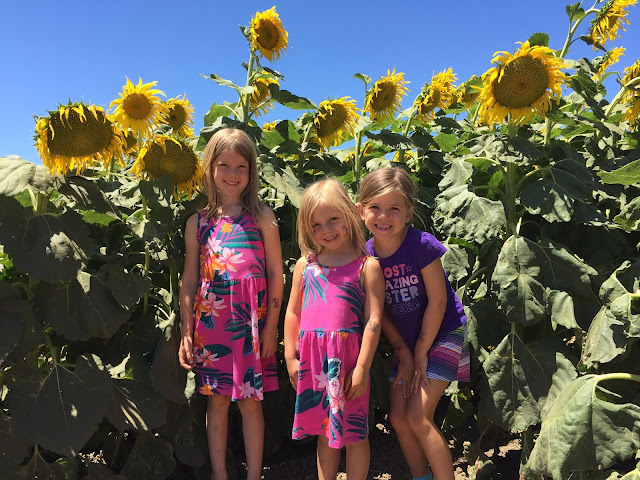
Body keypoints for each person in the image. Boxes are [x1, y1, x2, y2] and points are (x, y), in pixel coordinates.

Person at [178, 128, 283, 480]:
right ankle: (219, 474)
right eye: (224, 165)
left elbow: (275, 274)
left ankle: (255, 475)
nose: (233, 173)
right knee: (217, 401)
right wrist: (186, 331)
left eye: (241, 166)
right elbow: (190, 281)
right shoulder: (198, 223)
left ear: (252, 172)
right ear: (209, 168)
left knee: (252, 403)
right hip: (212, 324)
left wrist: (271, 327)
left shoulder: (263, 217)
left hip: (252, 322)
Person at [358, 167, 470, 480]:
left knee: (419, 416)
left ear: (409, 213)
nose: (384, 216)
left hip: (444, 335)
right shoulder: (366, 258)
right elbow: (380, 314)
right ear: (361, 210)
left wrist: (420, 351)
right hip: (405, 345)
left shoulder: (420, 245)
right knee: (398, 417)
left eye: (394, 208)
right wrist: (405, 353)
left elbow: (438, 301)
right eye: (375, 207)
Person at [284, 179, 385, 480]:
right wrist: (290, 356)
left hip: (348, 364)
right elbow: (292, 313)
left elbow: (373, 321)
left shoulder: (367, 267)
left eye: (333, 220)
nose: (326, 230)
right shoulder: (306, 265)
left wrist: (363, 368)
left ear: (350, 214)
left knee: (355, 434)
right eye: (316, 225)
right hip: (314, 364)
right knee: (324, 432)